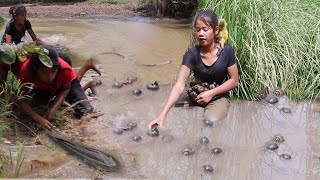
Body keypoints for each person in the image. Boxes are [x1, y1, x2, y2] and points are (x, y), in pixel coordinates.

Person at [148, 10, 239, 129]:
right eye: (198, 30)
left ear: (216, 30)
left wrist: (211, 93)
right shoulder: (191, 54)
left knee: (210, 122)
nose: (201, 33)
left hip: (218, 96)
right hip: (196, 94)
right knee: (166, 104)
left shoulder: (227, 51)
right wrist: (162, 116)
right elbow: (179, 85)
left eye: (205, 29)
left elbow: (234, 80)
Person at [18, 45, 100, 130]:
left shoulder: (65, 68)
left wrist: (53, 110)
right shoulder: (27, 70)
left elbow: (66, 89)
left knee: (86, 110)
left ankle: (87, 78)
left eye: (53, 71)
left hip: (66, 84)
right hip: (43, 88)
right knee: (37, 108)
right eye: (44, 72)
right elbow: (21, 99)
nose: (49, 77)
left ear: (57, 68)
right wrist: (38, 118)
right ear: (35, 69)